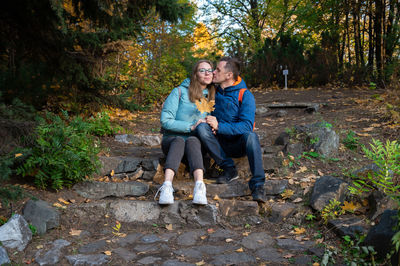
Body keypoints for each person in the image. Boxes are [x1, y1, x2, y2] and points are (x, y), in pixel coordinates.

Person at [195, 57, 266, 202]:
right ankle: (229, 169)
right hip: (217, 143)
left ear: (229, 75)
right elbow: (192, 86)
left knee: (252, 136)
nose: (213, 72)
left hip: (237, 143)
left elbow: (246, 125)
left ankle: (258, 185)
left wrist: (219, 126)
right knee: (202, 128)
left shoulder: (245, 95)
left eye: (218, 70)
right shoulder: (213, 91)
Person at [156, 59, 215, 205]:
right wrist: (190, 127)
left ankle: (199, 187)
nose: (207, 73)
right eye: (202, 70)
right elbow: (165, 120)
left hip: (196, 145)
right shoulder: (179, 92)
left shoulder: (214, 96)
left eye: (209, 70)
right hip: (172, 141)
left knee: (192, 140)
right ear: (195, 74)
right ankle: (167, 186)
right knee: (180, 140)